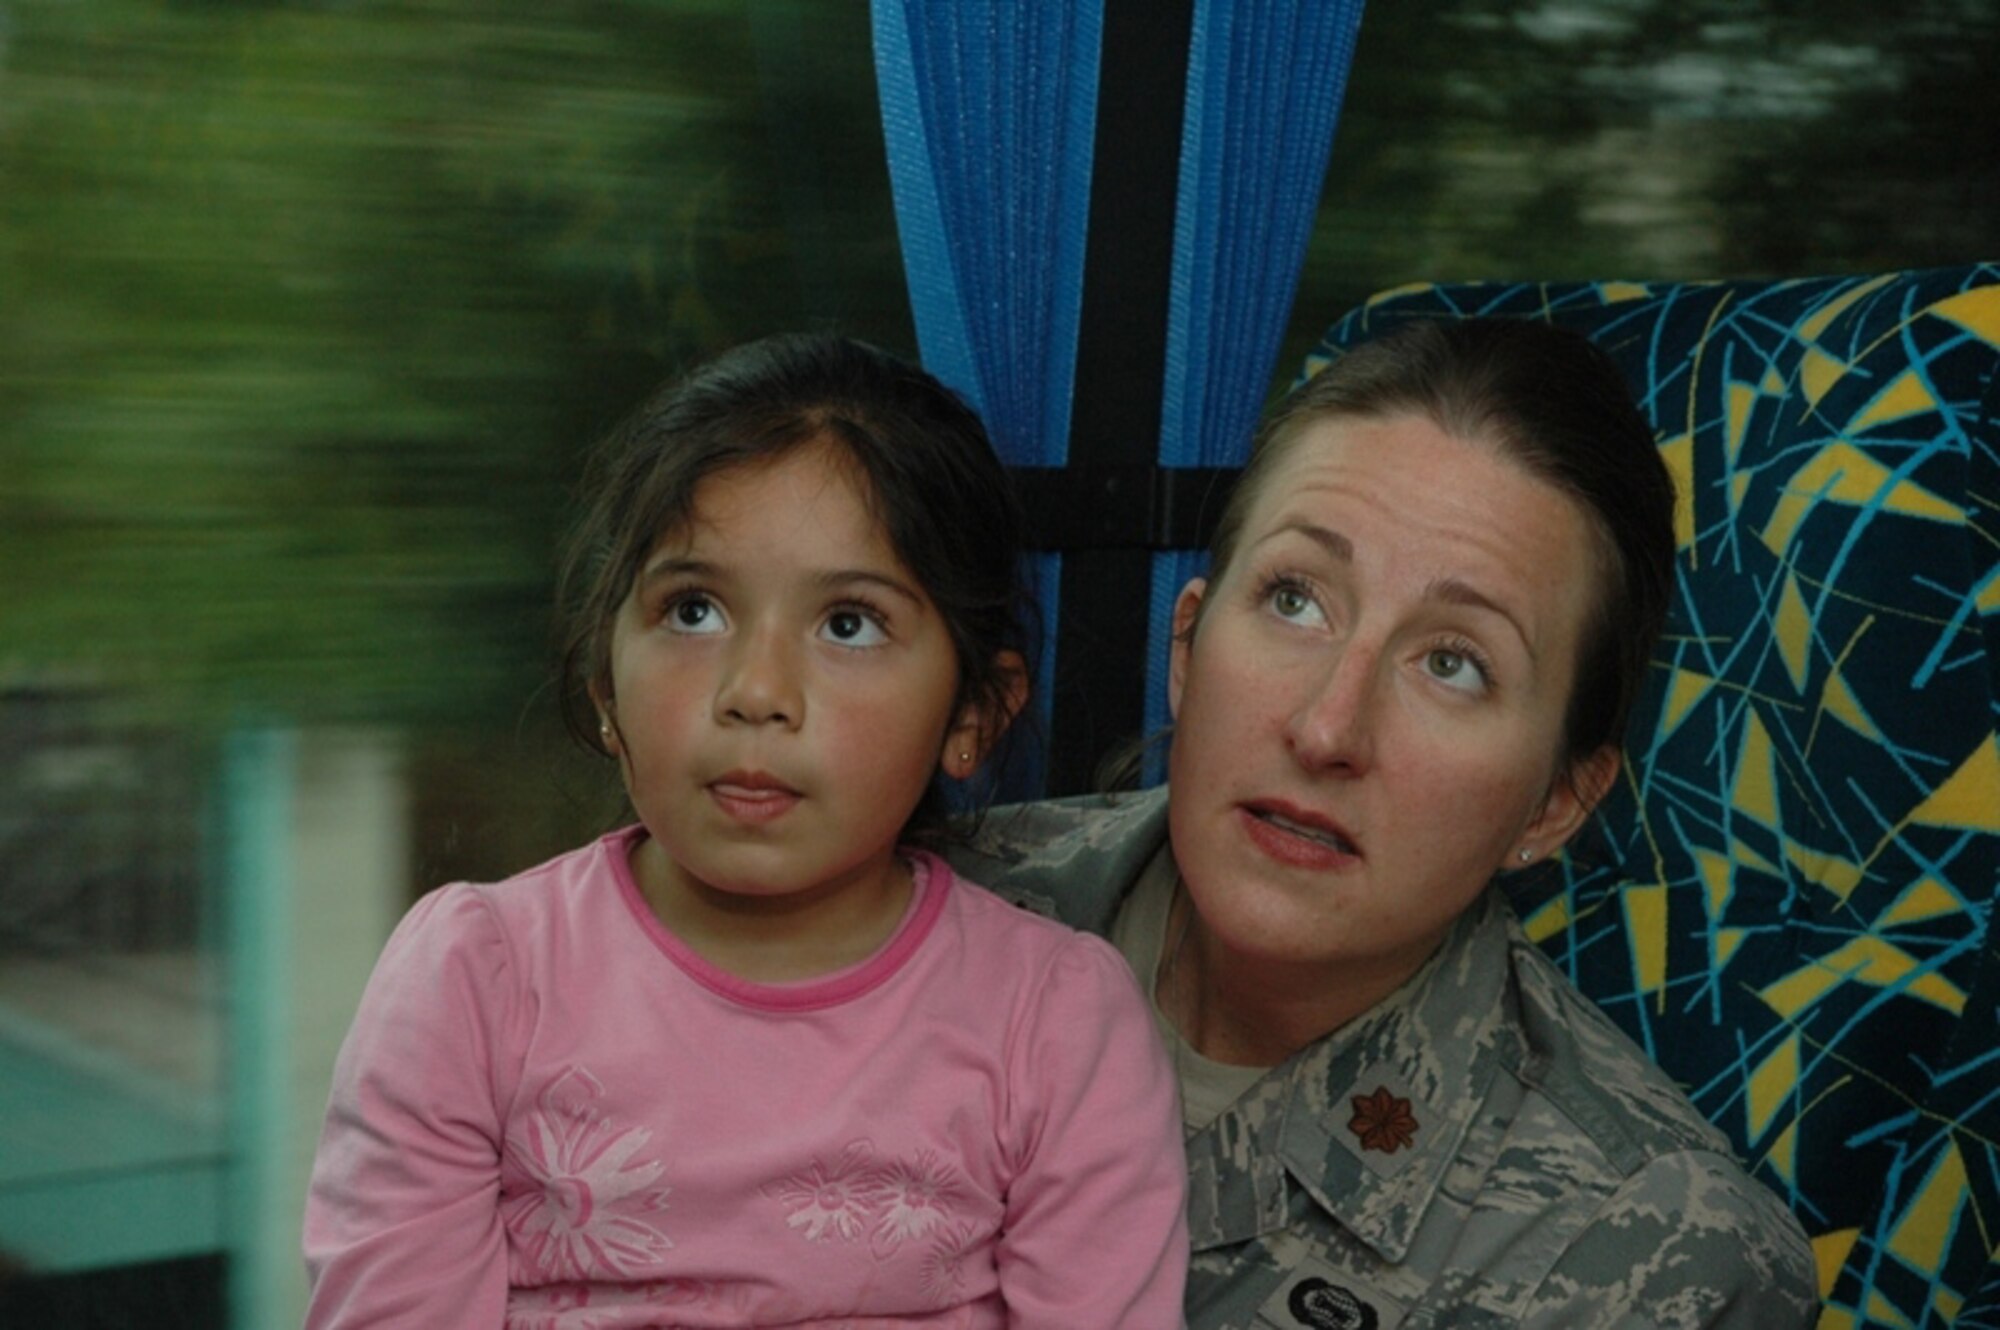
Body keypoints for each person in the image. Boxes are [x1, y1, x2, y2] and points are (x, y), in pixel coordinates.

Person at [302, 333, 1188, 1328]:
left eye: (847, 623)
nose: (755, 692)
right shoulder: (477, 982)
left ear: (972, 713)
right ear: (605, 679)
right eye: (692, 611)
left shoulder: (1054, 1027)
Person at [948, 318, 1820, 1329]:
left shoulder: (1652, 1255)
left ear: (1554, 801)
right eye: (1293, 598)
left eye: (1452, 663)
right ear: (1186, 646)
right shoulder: (905, 901)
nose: (1326, 728)